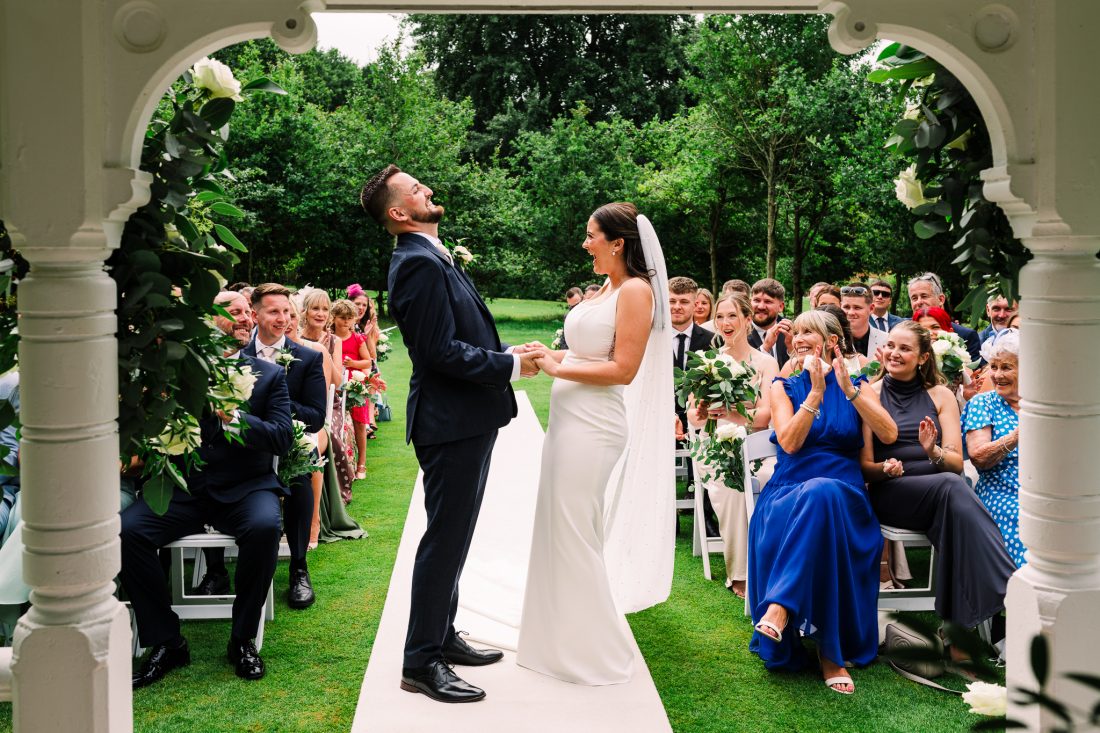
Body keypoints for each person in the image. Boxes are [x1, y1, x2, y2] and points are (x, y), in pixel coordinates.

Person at [362, 164, 542, 704]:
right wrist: (508, 369)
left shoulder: (434, 255)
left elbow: (459, 332)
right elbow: (438, 353)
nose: (429, 191)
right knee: (444, 540)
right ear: (398, 213)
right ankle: (420, 662)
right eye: (417, 190)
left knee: (456, 534)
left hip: (467, 418)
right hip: (450, 422)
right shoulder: (415, 264)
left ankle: (443, 635)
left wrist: (504, 353)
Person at [517, 202, 672, 685]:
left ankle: (593, 645)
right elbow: (588, 350)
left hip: (595, 426)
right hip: (568, 422)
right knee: (557, 525)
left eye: (591, 236)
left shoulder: (636, 292)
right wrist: (548, 352)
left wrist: (557, 368)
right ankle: (557, 634)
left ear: (617, 242)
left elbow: (622, 369)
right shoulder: (604, 288)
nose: (585, 244)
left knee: (577, 529)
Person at [122, 291, 293, 687]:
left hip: (247, 488)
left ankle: (242, 640)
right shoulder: (177, 375)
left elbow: (283, 437)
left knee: (266, 527)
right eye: (232, 312)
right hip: (184, 490)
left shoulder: (269, 376)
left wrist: (235, 421)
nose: (245, 319)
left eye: (247, 313)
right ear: (207, 321)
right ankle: (166, 640)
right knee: (127, 532)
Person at [748, 310, 897, 695]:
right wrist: (814, 394)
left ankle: (779, 609)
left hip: (846, 494)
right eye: (794, 332)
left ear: (832, 342)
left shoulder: (857, 384)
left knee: (826, 492)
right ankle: (828, 654)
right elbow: (791, 442)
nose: (797, 338)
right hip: (789, 492)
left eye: (808, 332)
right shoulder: (783, 386)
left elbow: (888, 432)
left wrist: (847, 389)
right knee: (818, 493)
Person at [861, 321, 1014, 648]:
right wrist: (885, 469)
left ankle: (956, 639)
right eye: (891, 345)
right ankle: (1007, 585)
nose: (894, 353)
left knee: (953, 506)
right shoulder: (869, 395)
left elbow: (957, 462)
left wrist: (932, 451)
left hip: (940, 491)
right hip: (894, 492)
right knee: (953, 487)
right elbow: (865, 468)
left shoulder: (941, 395)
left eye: (905, 348)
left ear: (922, 358)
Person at [686, 292, 778, 599]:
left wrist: (733, 413)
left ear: (748, 321)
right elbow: (693, 416)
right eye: (720, 317)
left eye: (732, 316)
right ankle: (741, 573)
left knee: (777, 477)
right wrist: (699, 414)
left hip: (757, 443)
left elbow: (766, 415)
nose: (725, 323)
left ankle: (775, 563)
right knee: (734, 483)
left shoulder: (765, 363)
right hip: (716, 445)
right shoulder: (707, 361)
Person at [963, 330, 1024, 566]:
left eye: (1006, 367)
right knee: (1027, 520)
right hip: (1004, 492)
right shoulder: (983, 403)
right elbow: (979, 457)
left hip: (1050, 490)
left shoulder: (1045, 403)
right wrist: (1017, 436)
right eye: (994, 367)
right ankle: (1028, 596)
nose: (997, 375)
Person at [669, 276, 718, 534]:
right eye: (672, 301)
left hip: (700, 415)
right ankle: (669, 520)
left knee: (712, 447)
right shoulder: (652, 339)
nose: (677, 306)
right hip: (661, 416)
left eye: (684, 302)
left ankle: (707, 518)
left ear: (694, 303)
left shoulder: (710, 340)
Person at [332, 298, 373, 480]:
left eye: (349, 318)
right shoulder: (329, 337)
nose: (346, 321)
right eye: (342, 317)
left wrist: (353, 363)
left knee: (359, 423)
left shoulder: (357, 339)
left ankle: (362, 463)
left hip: (354, 384)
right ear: (333, 318)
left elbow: (368, 361)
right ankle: (342, 461)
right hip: (335, 385)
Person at [907, 272, 981, 361]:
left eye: (924, 296)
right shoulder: (903, 331)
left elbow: (976, 373)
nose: (919, 302)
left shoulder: (966, 336)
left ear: (941, 299)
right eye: (914, 298)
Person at [747, 278, 790, 368]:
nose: (761, 306)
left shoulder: (790, 331)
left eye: (768, 301)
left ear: (781, 307)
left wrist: (792, 349)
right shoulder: (739, 332)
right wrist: (765, 347)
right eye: (756, 300)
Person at [841, 283, 887, 360]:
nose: (851, 312)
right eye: (846, 307)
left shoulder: (886, 340)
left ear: (871, 308)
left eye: (857, 307)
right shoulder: (832, 341)